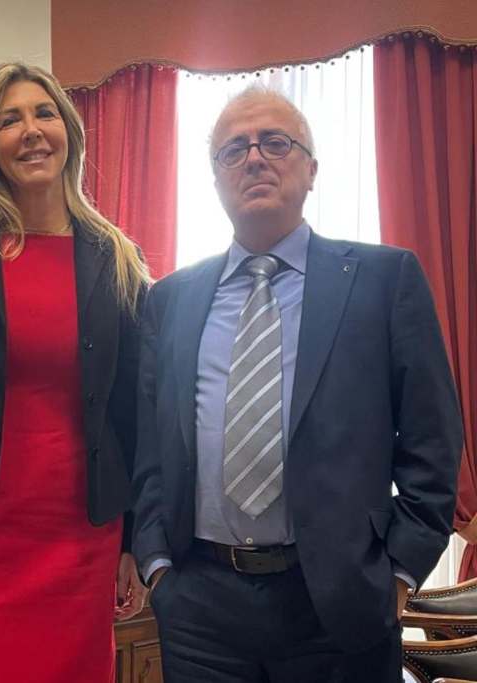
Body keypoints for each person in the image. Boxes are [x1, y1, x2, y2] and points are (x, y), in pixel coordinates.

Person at [132, 86, 463, 683]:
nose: (254, 158)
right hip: (200, 608)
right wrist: (156, 564)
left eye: (275, 143)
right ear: (215, 178)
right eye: (234, 149)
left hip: (339, 606)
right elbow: (150, 445)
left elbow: (433, 440)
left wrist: (398, 574)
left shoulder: (384, 280)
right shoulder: (171, 299)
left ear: (311, 169)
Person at [0, 62, 148, 683]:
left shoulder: (117, 257)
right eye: (9, 120)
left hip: (84, 531)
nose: (31, 130)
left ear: (68, 131)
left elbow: (134, 410)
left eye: (44, 113)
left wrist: (133, 538)